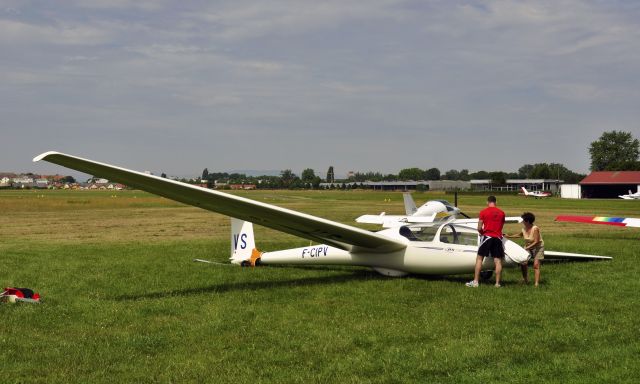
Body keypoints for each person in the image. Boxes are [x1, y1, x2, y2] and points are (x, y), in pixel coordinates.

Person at [466, 195, 506, 288]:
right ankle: (497, 283)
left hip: (487, 236)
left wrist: (481, 232)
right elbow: (501, 225)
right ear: (496, 202)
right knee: (498, 261)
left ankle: (476, 282)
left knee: (479, 258)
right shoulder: (502, 213)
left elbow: (479, 227)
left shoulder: (483, 212)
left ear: (487, 202)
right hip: (498, 237)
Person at [505, 212, 544, 287]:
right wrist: (509, 236)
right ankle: (525, 279)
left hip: (538, 247)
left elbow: (536, 241)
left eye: (523, 220)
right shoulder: (524, 229)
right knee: (523, 262)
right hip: (528, 246)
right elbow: (519, 235)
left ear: (528, 221)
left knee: (536, 265)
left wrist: (527, 248)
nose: (522, 222)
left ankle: (536, 284)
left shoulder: (535, 228)